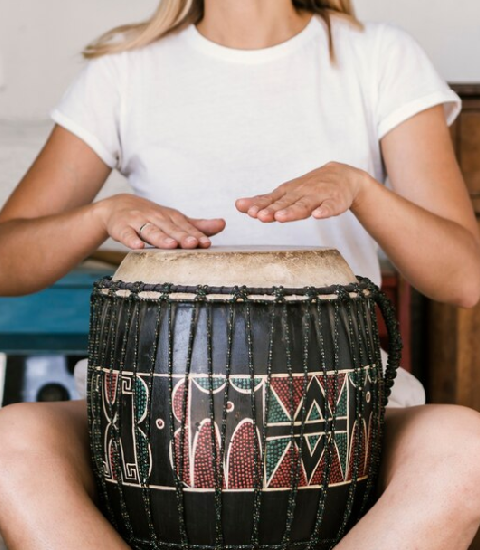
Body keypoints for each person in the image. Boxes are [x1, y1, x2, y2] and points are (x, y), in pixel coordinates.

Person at [0, 0, 480, 548]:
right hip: (151, 411)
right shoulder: (126, 70)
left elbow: (463, 279)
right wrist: (102, 214)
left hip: (339, 413)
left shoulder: (379, 56)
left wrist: (361, 189)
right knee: (12, 443)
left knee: (466, 449)